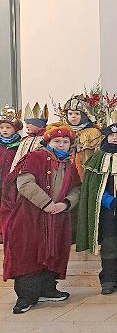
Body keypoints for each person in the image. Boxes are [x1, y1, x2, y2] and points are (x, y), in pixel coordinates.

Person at [3, 123, 80, 314]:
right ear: (48, 142)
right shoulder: (34, 157)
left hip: (56, 216)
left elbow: (76, 189)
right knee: (28, 254)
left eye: (65, 141)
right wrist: (46, 203)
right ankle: (26, 297)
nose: (61, 145)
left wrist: (65, 204)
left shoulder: (69, 164)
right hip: (30, 216)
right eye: (57, 141)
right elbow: (24, 183)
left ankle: (47, 289)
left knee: (53, 251)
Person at [75, 112, 117, 295]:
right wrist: (107, 200)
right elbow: (92, 186)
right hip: (105, 211)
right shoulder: (97, 159)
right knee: (109, 245)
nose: (114, 138)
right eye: (111, 135)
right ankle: (109, 279)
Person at [60, 95, 101, 179]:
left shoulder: (93, 133)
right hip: (64, 175)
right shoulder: (62, 131)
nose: (73, 116)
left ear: (84, 115)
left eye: (77, 114)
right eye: (70, 113)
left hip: (86, 175)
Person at [0, 106, 22, 237]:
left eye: (8, 127)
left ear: (15, 129)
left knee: (9, 204)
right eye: (2, 127)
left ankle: (7, 231)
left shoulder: (20, 145)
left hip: (10, 180)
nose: (4, 130)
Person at [12, 102, 48, 171]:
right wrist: (13, 172)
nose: (26, 126)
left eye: (28, 123)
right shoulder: (25, 140)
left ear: (38, 124)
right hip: (22, 171)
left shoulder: (46, 139)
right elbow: (17, 158)